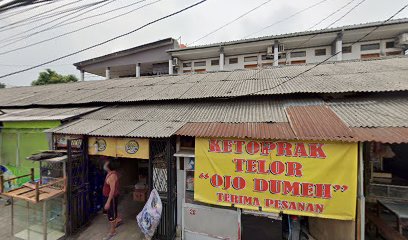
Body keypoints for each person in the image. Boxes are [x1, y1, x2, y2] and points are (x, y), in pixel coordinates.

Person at [102, 159, 122, 240]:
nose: (105, 165)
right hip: (108, 196)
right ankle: (117, 220)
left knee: (111, 214)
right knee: (113, 212)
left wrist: (108, 202)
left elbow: (112, 190)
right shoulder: (110, 173)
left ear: (109, 167)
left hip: (111, 198)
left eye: (106, 164)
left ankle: (112, 231)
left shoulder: (112, 176)